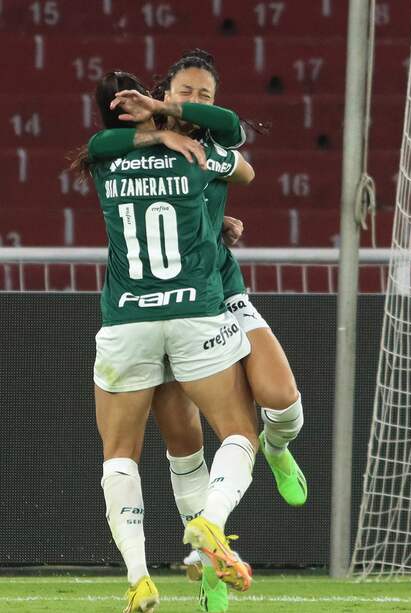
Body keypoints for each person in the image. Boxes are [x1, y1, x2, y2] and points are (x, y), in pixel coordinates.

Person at [89, 50, 306, 612]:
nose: (194, 102)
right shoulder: (200, 154)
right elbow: (243, 159)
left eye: (202, 95)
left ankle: (139, 576)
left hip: (132, 321)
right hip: (195, 310)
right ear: (161, 93)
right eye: (184, 91)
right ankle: (207, 554)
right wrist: (166, 134)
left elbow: (97, 148)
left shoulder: (109, 156)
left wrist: (216, 220)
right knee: (202, 443)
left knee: (274, 404)